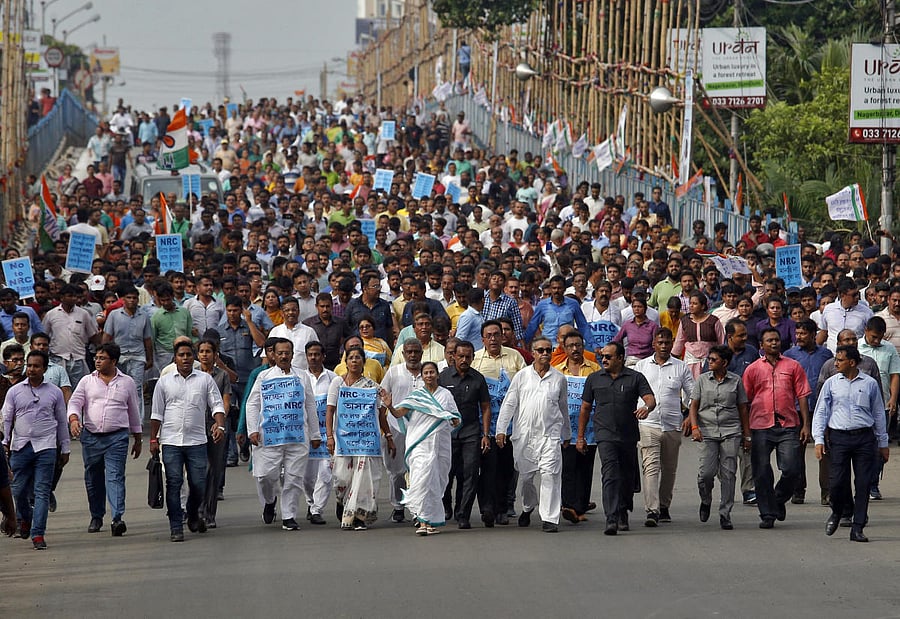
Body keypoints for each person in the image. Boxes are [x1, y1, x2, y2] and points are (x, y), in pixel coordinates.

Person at [150, 341, 227, 542]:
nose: (185, 358)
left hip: (197, 441)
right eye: (181, 355)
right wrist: (153, 439)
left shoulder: (205, 380)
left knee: (198, 484)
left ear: (193, 358)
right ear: (175, 358)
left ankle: (193, 513)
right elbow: (156, 413)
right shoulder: (164, 382)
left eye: (188, 355)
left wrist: (219, 426)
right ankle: (176, 527)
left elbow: (217, 405)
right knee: (174, 483)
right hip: (171, 441)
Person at [578, 340, 656, 535]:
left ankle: (623, 510)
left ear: (620, 358)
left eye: (608, 356)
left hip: (628, 435)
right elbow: (585, 408)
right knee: (610, 474)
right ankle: (611, 518)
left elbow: (650, 399)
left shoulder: (635, 377)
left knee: (627, 476)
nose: (603, 359)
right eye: (602, 356)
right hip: (604, 434)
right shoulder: (594, 378)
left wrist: (646, 408)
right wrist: (580, 436)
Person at [66, 343, 142, 537]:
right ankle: (96, 515)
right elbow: (75, 402)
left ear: (114, 361)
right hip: (91, 437)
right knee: (93, 478)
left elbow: (134, 410)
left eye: (102, 358)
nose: (97, 361)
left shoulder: (127, 382)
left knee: (115, 476)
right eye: (96, 358)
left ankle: (117, 518)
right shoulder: (86, 381)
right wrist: (74, 419)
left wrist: (138, 437)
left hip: (117, 437)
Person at [814, 345, 889, 542]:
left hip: (864, 438)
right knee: (837, 482)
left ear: (852, 363)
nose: (835, 363)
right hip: (839, 438)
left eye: (840, 360)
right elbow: (821, 411)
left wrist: (883, 443)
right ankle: (837, 512)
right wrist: (819, 440)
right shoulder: (831, 383)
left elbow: (879, 413)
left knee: (863, 483)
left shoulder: (870, 383)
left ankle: (858, 526)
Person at [497, 336, 570, 533]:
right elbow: (509, 403)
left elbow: (563, 408)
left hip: (550, 436)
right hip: (525, 436)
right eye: (540, 350)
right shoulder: (522, 376)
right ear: (533, 352)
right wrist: (501, 430)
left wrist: (566, 433)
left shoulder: (558, 379)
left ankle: (550, 518)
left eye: (548, 350)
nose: (545, 354)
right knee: (527, 478)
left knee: (550, 476)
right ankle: (528, 508)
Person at [245, 338, 320, 531]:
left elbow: (310, 405)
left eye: (287, 352)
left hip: (297, 436)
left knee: (294, 478)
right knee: (265, 476)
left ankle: (289, 516)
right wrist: (252, 429)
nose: (284, 356)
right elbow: (252, 404)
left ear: (293, 355)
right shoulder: (265, 377)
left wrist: (315, 434)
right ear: (273, 355)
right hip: (270, 436)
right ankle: (270, 501)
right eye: (280, 353)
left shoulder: (302, 377)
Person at [742, 328, 811, 529]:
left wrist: (805, 424)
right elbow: (745, 402)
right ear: (761, 345)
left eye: (777, 340)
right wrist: (745, 432)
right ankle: (767, 513)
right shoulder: (753, 369)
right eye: (769, 340)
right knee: (761, 471)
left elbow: (802, 396)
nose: (774, 343)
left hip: (789, 425)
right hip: (760, 426)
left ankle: (778, 499)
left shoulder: (793, 366)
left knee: (792, 469)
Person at [384, 361, 461, 535]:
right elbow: (398, 414)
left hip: (440, 444)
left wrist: (454, 419)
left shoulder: (445, 395)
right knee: (421, 479)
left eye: (431, 372)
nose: (428, 375)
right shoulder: (416, 396)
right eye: (425, 373)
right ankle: (422, 520)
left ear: (437, 374)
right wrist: (389, 405)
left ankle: (431, 521)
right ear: (422, 375)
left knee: (437, 480)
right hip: (419, 445)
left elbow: (455, 417)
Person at [1, 350, 69, 549]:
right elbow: (6, 418)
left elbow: (61, 422)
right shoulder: (14, 391)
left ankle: (38, 534)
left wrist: (64, 447)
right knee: (18, 489)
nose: (31, 369)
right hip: (20, 447)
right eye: (29, 365)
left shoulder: (54, 392)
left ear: (44, 369)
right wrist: (5, 441)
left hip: (46, 447)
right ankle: (25, 518)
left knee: (42, 492)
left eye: (36, 366)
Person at [326, 345, 393, 530]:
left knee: (364, 477)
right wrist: (329, 437)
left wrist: (388, 436)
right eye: (351, 357)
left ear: (364, 362)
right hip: (343, 440)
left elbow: (380, 414)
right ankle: (342, 501)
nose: (354, 360)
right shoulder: (337, 383)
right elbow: (330, 410)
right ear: (345, 362)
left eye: (358, 357)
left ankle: (358, 517)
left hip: (366, 441)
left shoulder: (372, 387)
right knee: (341, 478)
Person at [634, 328, 694, 526]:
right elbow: (633, 395)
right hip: (648, 424)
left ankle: (664, 506)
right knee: (650, 468)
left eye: (667, 342)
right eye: (660, 342)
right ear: (653, 344)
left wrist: (690, 418)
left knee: (669, 469)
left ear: (672, 344)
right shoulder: (641, 366)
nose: (664, 346)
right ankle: (652, 510)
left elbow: (692, 394)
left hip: (672, 425)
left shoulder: (681, 367)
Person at [687, 345, 750, 530]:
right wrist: (694, 427)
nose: (710, 362)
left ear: (725, 362)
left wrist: (747, 435)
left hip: (731, 430)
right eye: (709, 359)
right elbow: (693, 405)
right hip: (707, 431)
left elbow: (743, 408)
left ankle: (725, 513)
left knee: (728, 473)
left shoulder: (736, 381)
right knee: (706, 473)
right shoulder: (702, 380)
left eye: (714, 360)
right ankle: (706, 500)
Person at [473, 319, 526, 525]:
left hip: (511, 426)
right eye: (489, 335)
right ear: (483, 339)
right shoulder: (476, 360)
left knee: (506, 469)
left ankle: (503, 508)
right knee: (487, 468)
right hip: (485, 425)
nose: (493, 338)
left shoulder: (515, 358)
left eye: (497, 334)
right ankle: (487, 508)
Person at [438, 339, 491, 529]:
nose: (464, 360)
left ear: (473, 357)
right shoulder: (443, 378)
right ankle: (445, 506)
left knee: (469, 474)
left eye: (468, 357)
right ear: (453, 356)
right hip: (447, 434)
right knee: (446, 472)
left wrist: (485, 434)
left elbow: (485, 407)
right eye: (460, 356)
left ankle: (463, 514)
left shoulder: (478, 379)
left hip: (471, 433)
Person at [783, 318, 833, 505]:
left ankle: (826, 493)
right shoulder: (789, 354)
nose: (799, 337)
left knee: (825, 450)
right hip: (796, 409)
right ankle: (798, 490)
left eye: (803, 333)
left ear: (814, 335)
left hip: (822, 408)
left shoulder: (826, 354)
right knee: (796, 452)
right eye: (797, 333)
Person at [553, 330, 600, 524]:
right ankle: (567, 505)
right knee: (566, 467)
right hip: (565, 428)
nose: (575, 349)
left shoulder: (595, 369)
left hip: (589, 429)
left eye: (578, 345)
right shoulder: (556, 370)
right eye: (571, 346)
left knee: (585, 468)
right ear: (564, 348)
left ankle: (580, 508)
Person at [857, 316, 900, 500]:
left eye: (880, 338)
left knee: (879, 444)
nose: (876, 341)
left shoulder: (889, 349)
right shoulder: (856, 347)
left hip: (882, 403)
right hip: (859, 404)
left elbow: (895, 375)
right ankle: (861, 483)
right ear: (866, 330)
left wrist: (893, 399)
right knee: (862, 446)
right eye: (874, 337)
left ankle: (873, 484)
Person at [102, 286, 153, 421]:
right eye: (128, 298)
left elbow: (147, 339)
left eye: (134, 298)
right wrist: (103, 356)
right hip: (118, 357)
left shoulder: (144, 316)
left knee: (136, 389)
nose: (131, 300)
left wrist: (150, 358)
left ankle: (137, 422)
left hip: (138, 356)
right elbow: (107, 336)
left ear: (138, 299)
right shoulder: (114, 315)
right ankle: (119, 419)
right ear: (123, 299)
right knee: (118, 387)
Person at [196, 338, 232, 529]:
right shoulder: (192, 375)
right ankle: (196, 508)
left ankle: (209, 513)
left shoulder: (222, 376)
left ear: (215, 354)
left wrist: (220, 423)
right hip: (194, 427)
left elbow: (225, 401)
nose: (204, 355)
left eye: (208, 351)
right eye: (201, 351)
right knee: (197, 469)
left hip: (215, 426)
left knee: (213, 470)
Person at [303, 341, 337, 525]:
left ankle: (317, 510)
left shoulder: (333, 378)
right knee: (307, 478)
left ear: (323, 356)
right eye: (310, 354)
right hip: (306, 437)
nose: (314, 358)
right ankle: (311, 503)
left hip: (327, 436)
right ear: (306, 356)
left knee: (325, 474)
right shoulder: (300, 378)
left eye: (317, 354)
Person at [41, 283, 101, 387]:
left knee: (80, 390)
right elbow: (43, 336)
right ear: (62, 297)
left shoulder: (84, 314)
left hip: (78, 359)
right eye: (70, 296)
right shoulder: (51, 314)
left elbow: (93, 335)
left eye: (75, 296)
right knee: (58, 389)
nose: (73, 298)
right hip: (58, 358)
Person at [672, 292, 724, 379]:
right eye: (690, 303)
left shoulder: (713, 321)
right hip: (690, 360)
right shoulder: (685, 321)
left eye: (695, 304)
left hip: (709, 360)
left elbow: (721, 340)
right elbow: (679, 340)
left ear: (703, 306)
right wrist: (673, 356)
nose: (691, 306)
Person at [818, 277, 873, 352]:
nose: (857, 297)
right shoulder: (829, 309)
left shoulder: (866, 312)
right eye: (853, 295)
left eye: (857, 294)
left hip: (856, 355)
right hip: (833, 355)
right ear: (842, 295)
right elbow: (824, 332)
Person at [269, 296, 319, 373]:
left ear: (298, 311)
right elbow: (267, 356)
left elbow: (317, 355)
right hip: (280, 377)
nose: (290, 312)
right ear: (282, 313)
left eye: (293, 310)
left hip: (304, 376)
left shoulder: (309, 332)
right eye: (287, 310)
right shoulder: (275, 331)